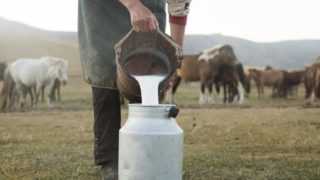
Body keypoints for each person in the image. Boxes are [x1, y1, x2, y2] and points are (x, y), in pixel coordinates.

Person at [78, 0, 191, 179]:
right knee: (105, 73)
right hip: (102, 10)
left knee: (150, 62)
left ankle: (146, 152)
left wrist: (175, 55)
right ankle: (110, 161)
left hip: (150, 11)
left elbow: (179, 7)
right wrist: (133, 5)